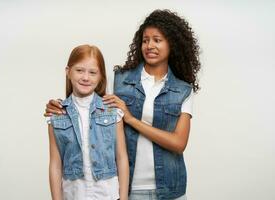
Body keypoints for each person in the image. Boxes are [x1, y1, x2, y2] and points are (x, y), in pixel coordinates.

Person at [45, 9, 200, 200]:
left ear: (172, 44)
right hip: (129, 186)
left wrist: (131, 119)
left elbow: (178, 143)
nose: (149, 45)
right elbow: (87, 102)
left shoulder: (183, 90)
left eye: (157, 40)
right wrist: (59, 107)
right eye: (145, 40)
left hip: (170, 188)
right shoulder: (119, 80)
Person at [47, 44, 129, 200]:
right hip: (73, 194)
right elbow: (55, 165)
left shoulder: (112, 111)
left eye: (92, 72)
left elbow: (121, 157)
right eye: (79, 70)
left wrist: (123, 197)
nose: (85, 77)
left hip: (108, 195)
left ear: (100, 77)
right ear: (68, 72)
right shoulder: (56, 114)